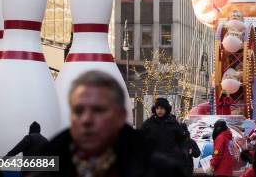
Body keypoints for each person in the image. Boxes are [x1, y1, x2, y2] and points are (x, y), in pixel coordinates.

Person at [32, 70, 184, 177]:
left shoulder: (161, 169)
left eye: (98, 110)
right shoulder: (43, 163)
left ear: (120, 116)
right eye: (78, 110)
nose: (86, 120)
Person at [141, 97, 187, 167]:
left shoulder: (173, 123)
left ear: (166, 109)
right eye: (157, 108)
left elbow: (181, 139)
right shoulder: (149, 123)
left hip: (169, 159)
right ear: (154, 109)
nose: (159, 111)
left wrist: (183, 152)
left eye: (162, 108)